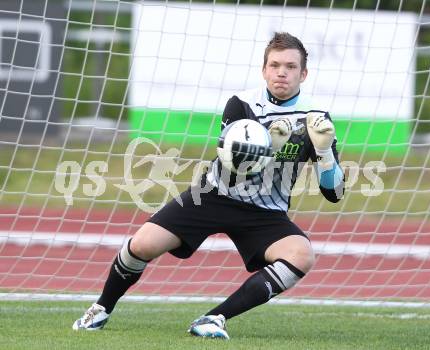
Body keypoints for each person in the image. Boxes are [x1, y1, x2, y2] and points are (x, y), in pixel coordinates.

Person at [72, 32, 344, 339]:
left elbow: (333, 193)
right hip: (214, 195)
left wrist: (323, 153)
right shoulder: (241, 104)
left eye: (291, 66)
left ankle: (214, 318)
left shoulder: (315, 119)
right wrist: (270, 147)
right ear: (264, 69)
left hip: (265, 212)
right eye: (275, 64)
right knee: (142, 244)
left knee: (301, 254)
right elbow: (232, 169)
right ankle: (101, 308)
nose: (282, 72)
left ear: (303, 73)